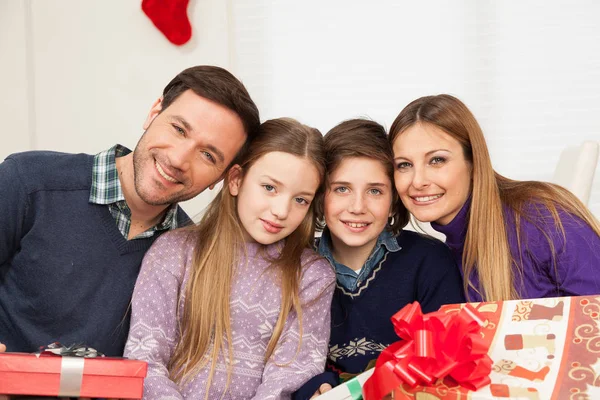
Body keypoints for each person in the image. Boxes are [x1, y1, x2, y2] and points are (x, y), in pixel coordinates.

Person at [0, 65, 260, 356]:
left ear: (222, 179)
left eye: (208, 155)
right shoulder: (28, 181)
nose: (178, 159)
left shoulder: (195, 257)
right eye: (178, 129)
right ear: (153, 113)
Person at [123, 118, 336, 399]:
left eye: (301, 200)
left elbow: (291, 374)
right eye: (270, 188)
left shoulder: (312, 276)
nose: (282, 210)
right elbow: (145, 357)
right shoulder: (174, 253)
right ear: (236, 180)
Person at [294, 119, 465, 399]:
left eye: (375, 191)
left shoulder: (430, 260)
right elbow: (283, 359)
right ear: (320, 197)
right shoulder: (295, 266)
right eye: (342, 189)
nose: (358, 207)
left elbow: (450, 357)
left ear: (394, 200)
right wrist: (314, 387)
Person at [390, 94, 600, 302]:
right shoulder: (441, 258)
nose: (418, 181)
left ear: (473, 162)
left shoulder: (543, 217)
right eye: (404, 165)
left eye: (437, 160)